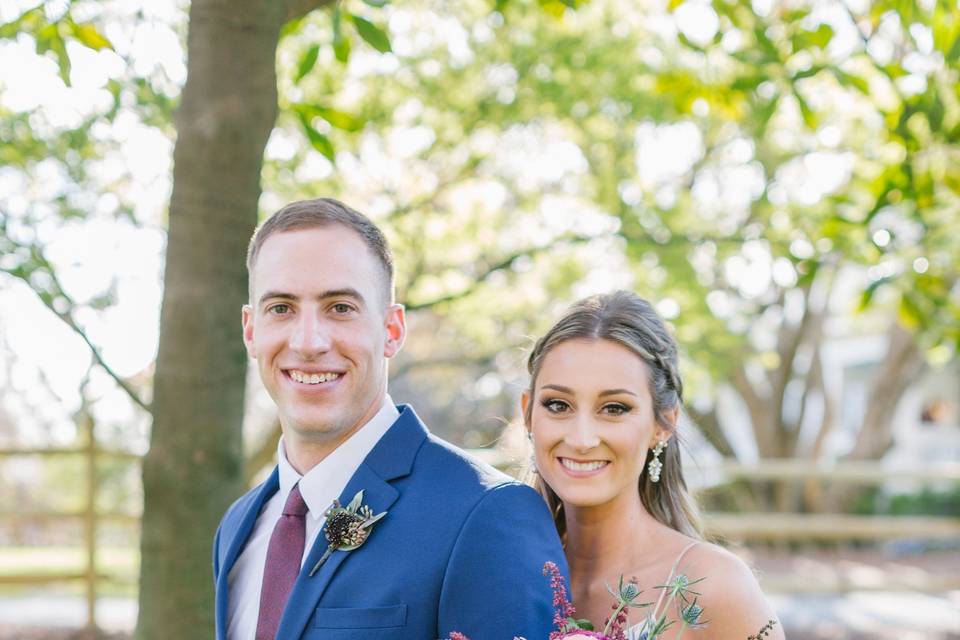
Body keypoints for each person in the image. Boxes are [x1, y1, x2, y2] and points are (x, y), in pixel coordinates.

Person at [213, 198, 566, 640]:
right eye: (281, 308)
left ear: (392, 330)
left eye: (339, 307)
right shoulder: (238, 527)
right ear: (251, 330)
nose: (308, 341)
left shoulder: (485, 515)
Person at [521, 291, 784, 638]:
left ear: (664, 424)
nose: (581, 439)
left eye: (614, 408)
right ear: (527, 413)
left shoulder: (714, 588)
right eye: (558, 405)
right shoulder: (506, 575)